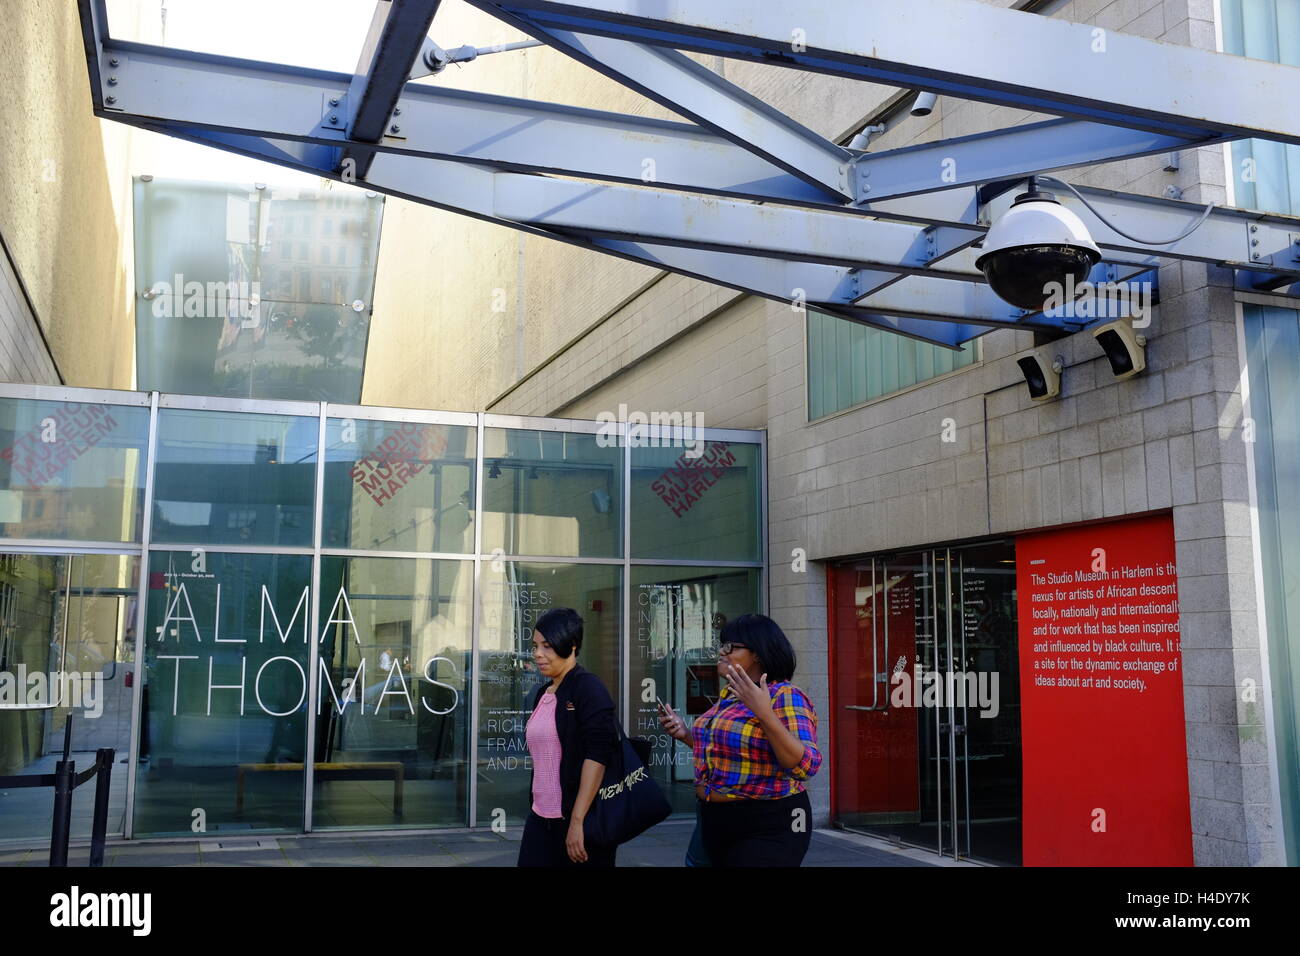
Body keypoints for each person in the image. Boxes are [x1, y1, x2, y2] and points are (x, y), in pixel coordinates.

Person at [658, 613, 822, 867]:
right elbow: (734, 752)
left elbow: (804, 766)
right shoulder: (731, 695)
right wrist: (685, 735)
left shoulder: (785, 696)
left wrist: (764, 713)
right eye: (721, 645)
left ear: (757, 652)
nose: (721, 653)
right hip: (714, 818)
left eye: (729, 646)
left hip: (767, 822)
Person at [517, 607, 620, 867]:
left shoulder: (588, 688)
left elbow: (598, 756)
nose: (538, 654)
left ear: (572, 645)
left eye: (548, 646)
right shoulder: (544, 692)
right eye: (536, 646)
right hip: (540, 818)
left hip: (580, 822)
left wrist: (577, 821)